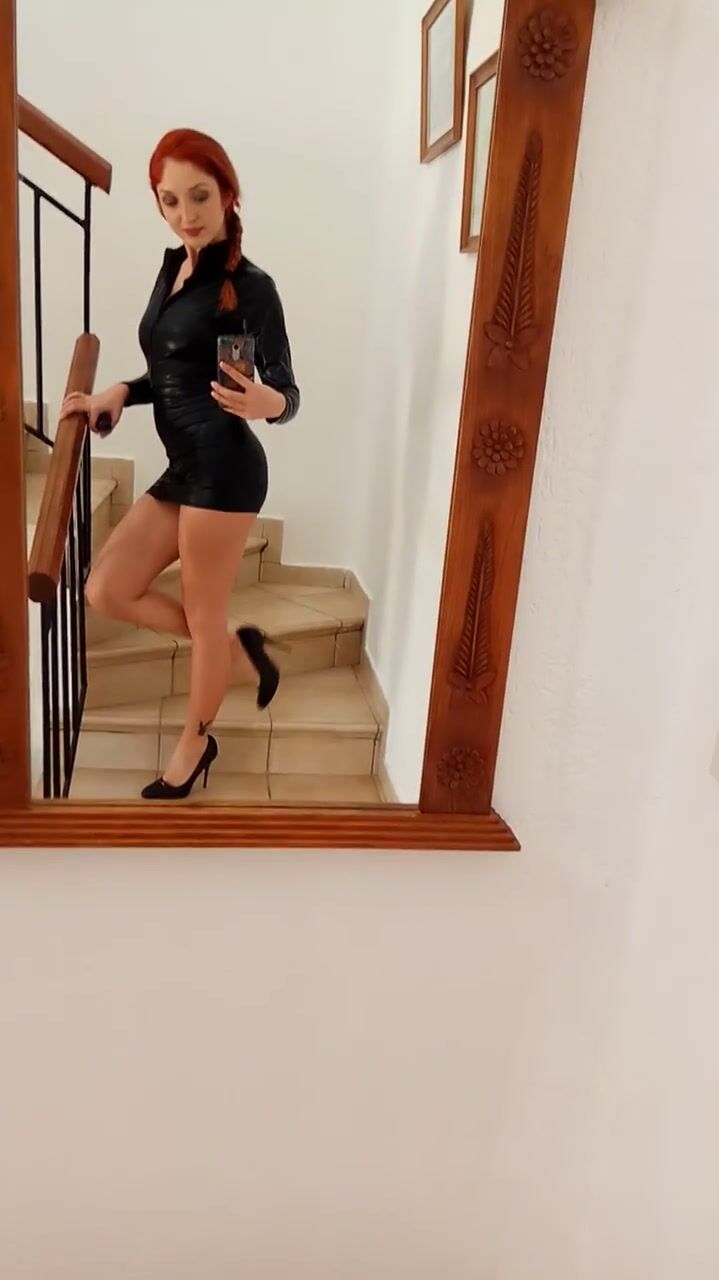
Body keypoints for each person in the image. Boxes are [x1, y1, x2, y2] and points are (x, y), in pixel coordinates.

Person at [60, 128, 300, 800]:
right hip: (182, 467)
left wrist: (270, 402)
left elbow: (285, 388)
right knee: (106, 589)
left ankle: (195, 745)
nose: (186, 214)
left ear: (227, 194)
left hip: (224, 470)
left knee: (201, 612)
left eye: (199, 196)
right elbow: (176, 371)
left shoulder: (248, 287)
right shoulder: (175, 268)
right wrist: (119, 391)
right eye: (170, 200)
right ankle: (235, 650)